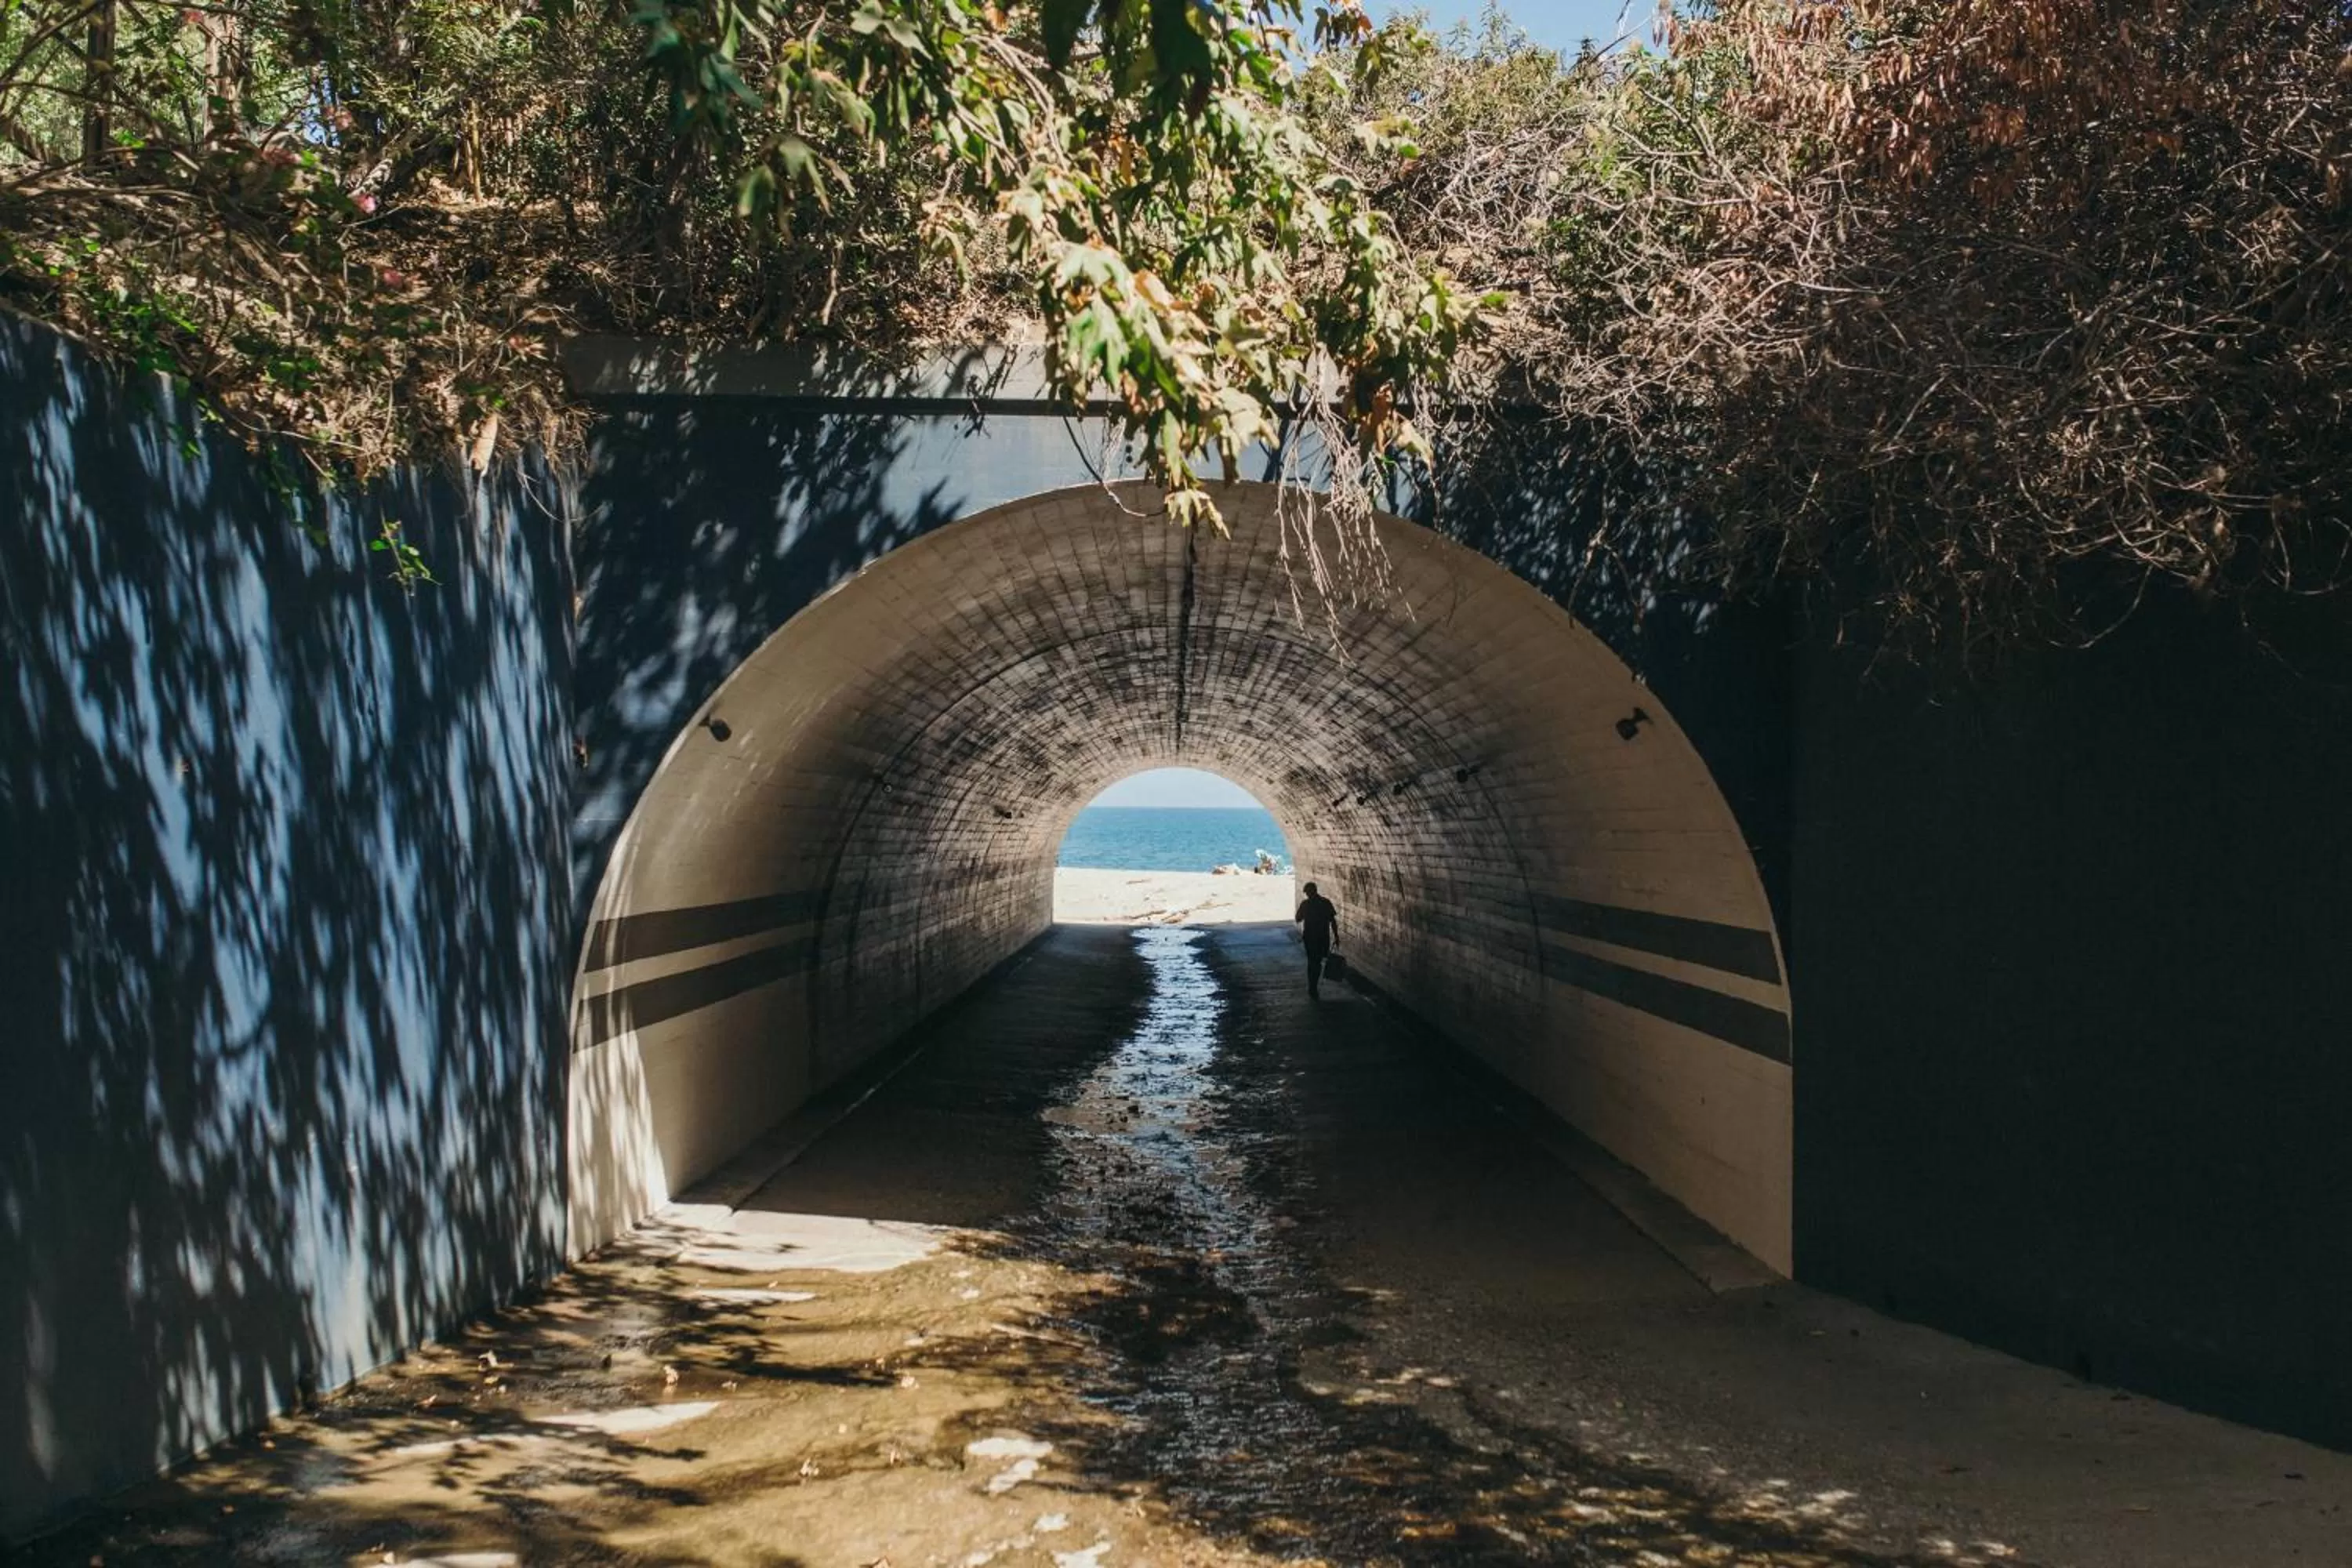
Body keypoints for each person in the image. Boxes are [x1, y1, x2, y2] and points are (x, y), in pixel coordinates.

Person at [1294, 881, 1339, 1000]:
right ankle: (1313, 986)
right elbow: (1333, 921)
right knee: (1318, 962)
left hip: (1310, 938)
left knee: (1312, 961)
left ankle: (1312, 986)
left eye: (1307, 893)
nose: (1307, 895)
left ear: (1310, 892)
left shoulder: (1306, 904)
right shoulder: (1325, 902)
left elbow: (1298, 919)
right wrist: (1336, 936)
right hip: (1323, 937)